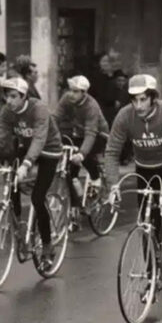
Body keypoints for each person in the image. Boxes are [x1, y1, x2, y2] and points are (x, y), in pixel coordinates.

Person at [0, 77, 63, 265]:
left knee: (37, 198)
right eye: (7, 96)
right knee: (11, 183)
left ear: (24, 97)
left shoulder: (39, 109)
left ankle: (47, 244)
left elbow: (39, 138)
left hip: (49, 150)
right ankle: (21, 228)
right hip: (27, 147)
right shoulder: (7, 111)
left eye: (14, 96)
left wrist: (27, 165)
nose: (9, 100)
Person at [105, 74, 162, 247]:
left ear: (153, 97)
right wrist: (113, 186)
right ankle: (152, 270)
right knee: (148, 221)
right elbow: (112, 152)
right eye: (134, 101)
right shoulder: (124, 116)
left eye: (143, 100)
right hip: (144, 168)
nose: (138, 106)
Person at [54, 76, 109, 218]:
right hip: (78, 133)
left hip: (98, 135)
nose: (71, 94)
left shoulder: (92, 106)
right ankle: (76, 204)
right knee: (69, 170)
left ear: (84, 92)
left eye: (75, 91)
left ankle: (96, 178)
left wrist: (82, 154)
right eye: (70, 90)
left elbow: (91, 133)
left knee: (85, 157)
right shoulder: (67, 98)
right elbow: (55, 118)